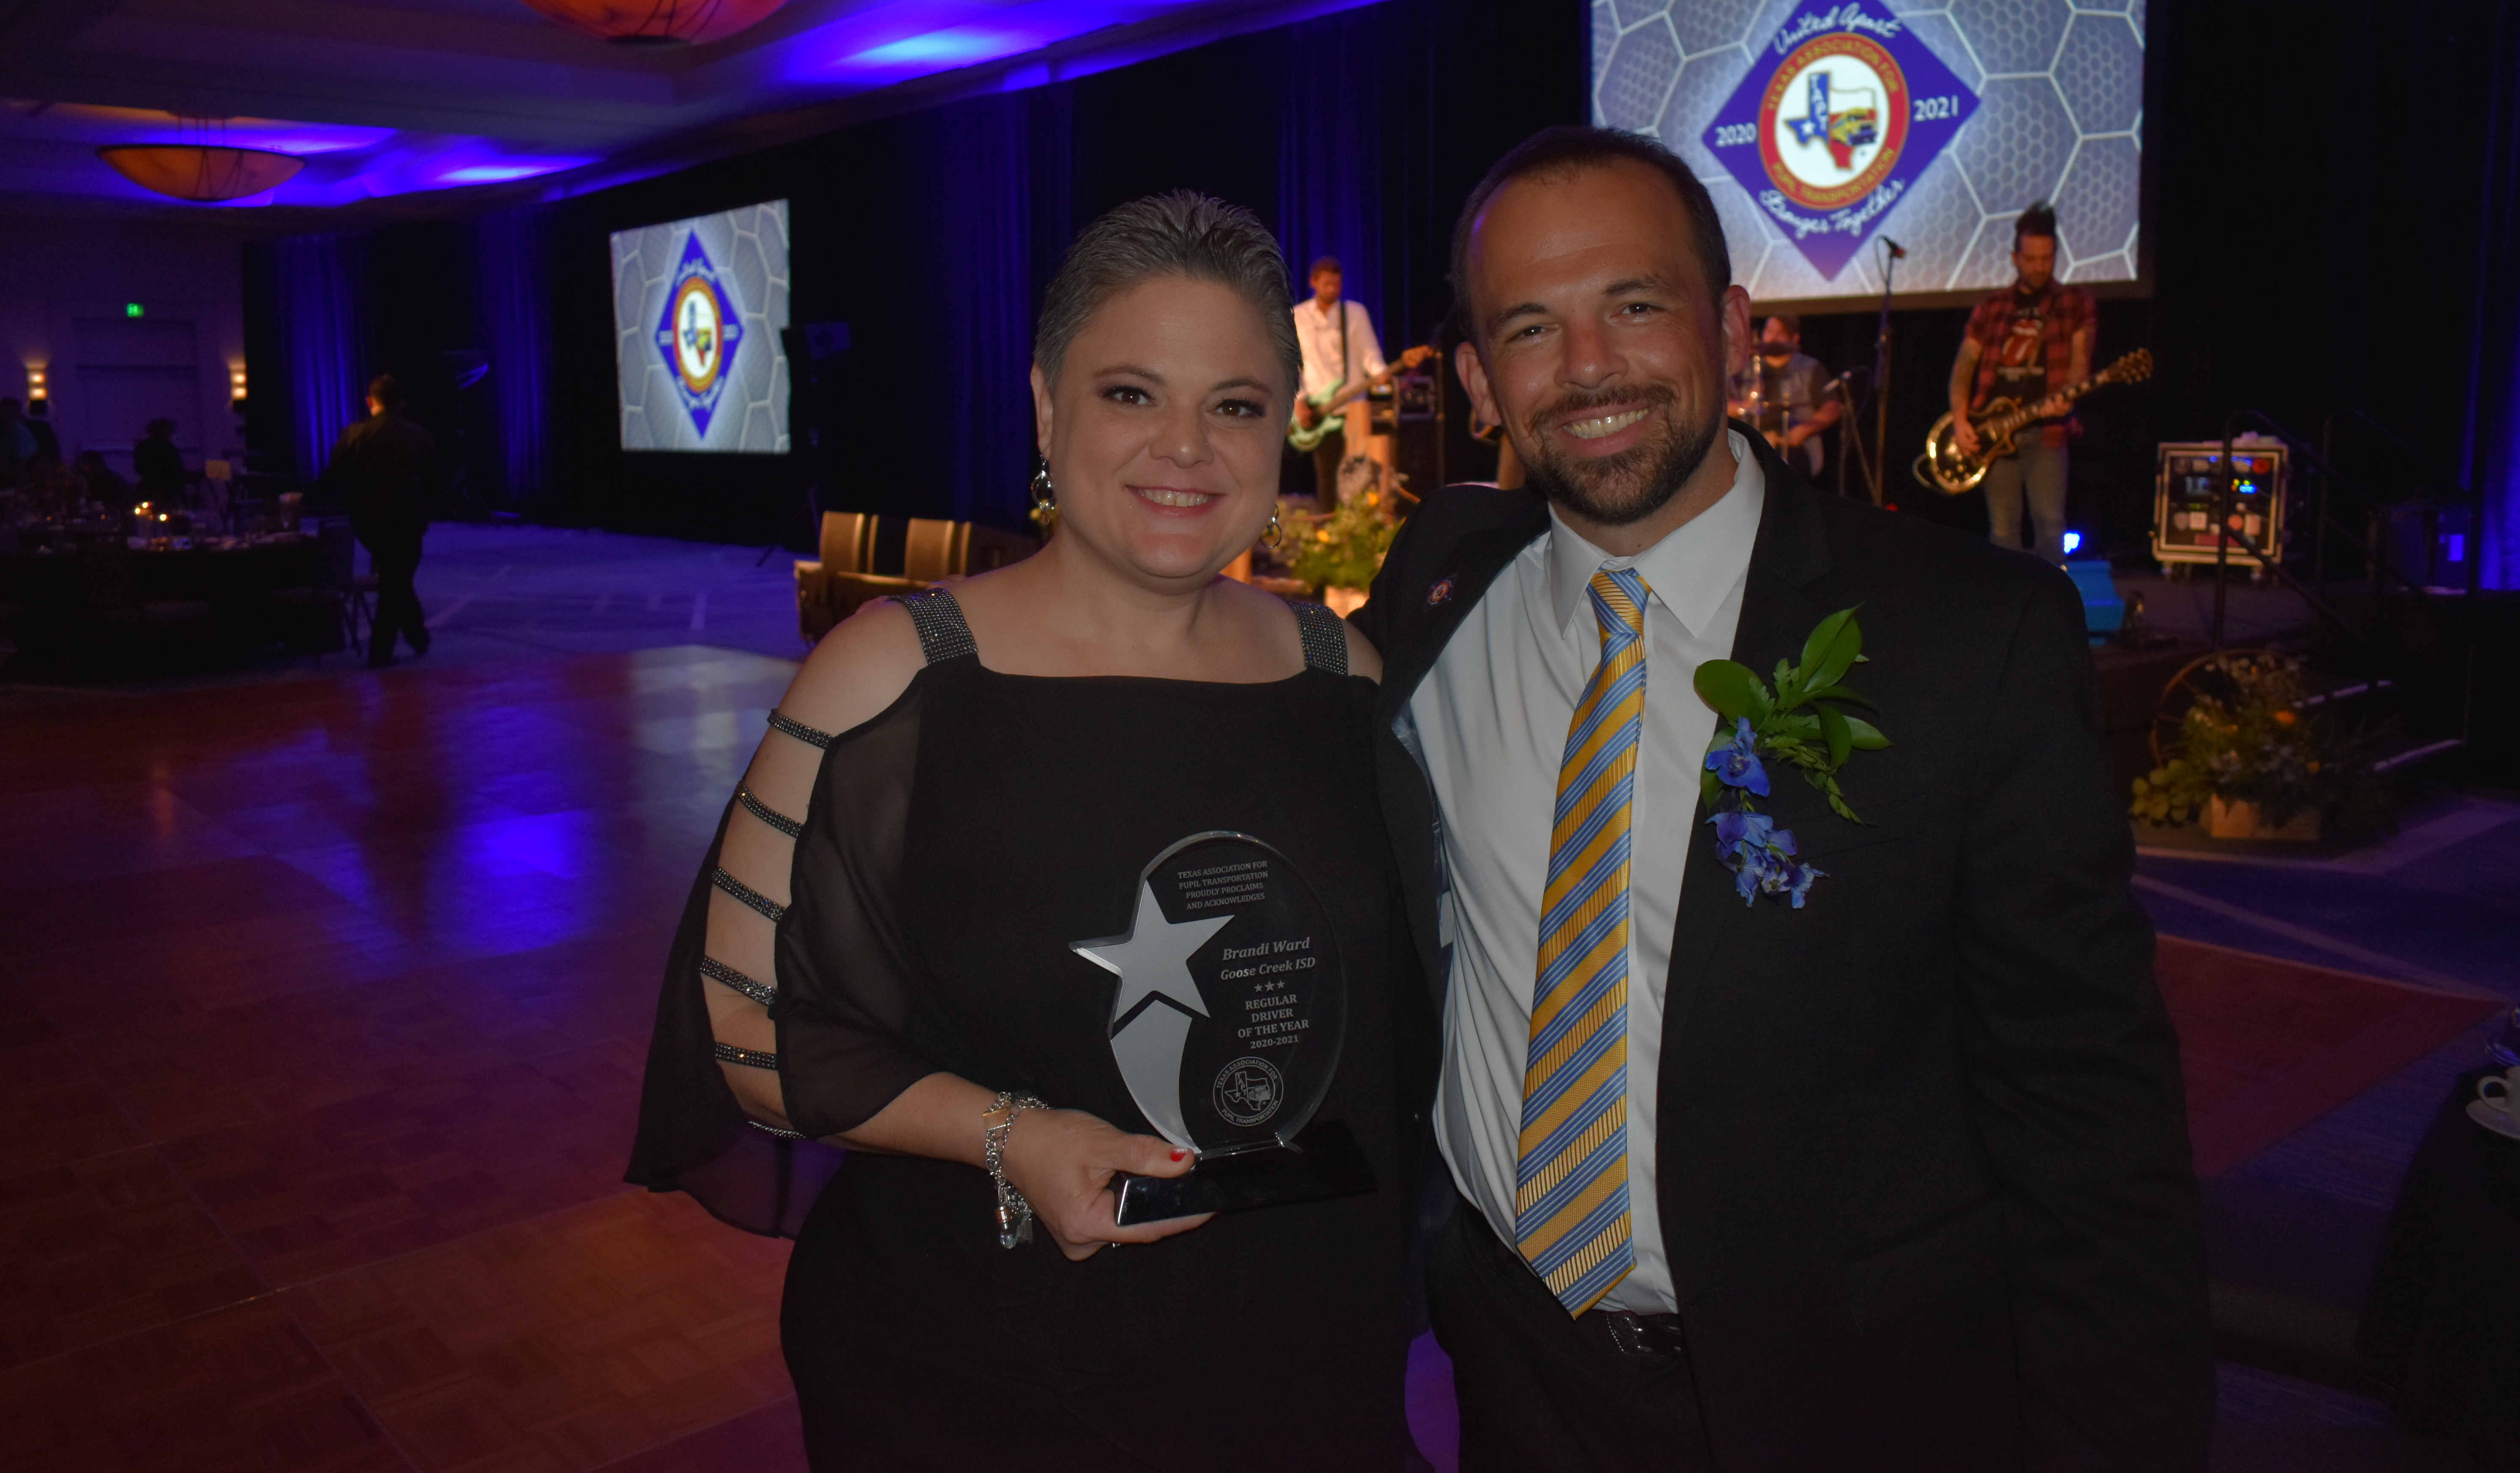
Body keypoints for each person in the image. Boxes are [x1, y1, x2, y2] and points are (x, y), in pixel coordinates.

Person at [1352, 126, 2210, 1470]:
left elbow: (2088, 1110)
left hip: (1850, 1394)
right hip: (1512, 1369)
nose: (1587, 369)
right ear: (1474, 379)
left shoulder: (1965, 638)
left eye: (1634, 305)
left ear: (1733, 327)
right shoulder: (1442, 577)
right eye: (1530, 327)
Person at [628, 193, 1418, 1470]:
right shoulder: (894, 673)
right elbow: (745, 1025)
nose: (1188, 448)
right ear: (1047, 408)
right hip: (985, 1357)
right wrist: (1014, 1135)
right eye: (1129, 394)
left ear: (1285, 427)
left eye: (1234, 404)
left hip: (1295, 1335)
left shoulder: (1341, 673)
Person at [1948, 203, 2096, 561]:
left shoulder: (2075, 302)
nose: (2040, 267)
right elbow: (1963, 368)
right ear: (2015, 257)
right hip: (1995, 432)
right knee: (2002, 530)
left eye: (2047, 258)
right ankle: (2008, 613)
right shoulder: (1991, 308)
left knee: (2050, 525)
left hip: (2048, 432)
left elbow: (2080, 362)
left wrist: (2069, 397)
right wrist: (1960, 418)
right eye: (2031, 259)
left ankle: (2051, 612)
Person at [309, 376, 438, 666]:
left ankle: (415, 638)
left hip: (370, 523)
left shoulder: (355, 434)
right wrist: (425, 510)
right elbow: (436, 479)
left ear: (371, 402)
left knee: (395, 577)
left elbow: (334, 476)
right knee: (398, 578)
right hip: (409, 520)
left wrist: (304, 499)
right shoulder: (418, 435)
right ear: (402, 404)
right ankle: (384, 650)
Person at [1290, 256, 1388, 509]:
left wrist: (1381, 372)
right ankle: (1330, 535)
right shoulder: (1298, 316)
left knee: (1357, 478)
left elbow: (1370, 354)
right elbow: (1293, 364)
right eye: (1327, 285)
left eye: (1337, 285)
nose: (1333, 290)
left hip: (1353, 409)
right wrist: (1299, 400)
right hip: (1320, 410)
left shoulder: (1355, 313)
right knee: (1327, 480)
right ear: (1314, 283)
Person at [1724, 314, 1839, 480]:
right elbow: (1723, 405)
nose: (1773, 337)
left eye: (1781, 333)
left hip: (1794, 446)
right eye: (1769, 331)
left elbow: (1832, 408)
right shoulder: (1746, 368)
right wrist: (1746, 405)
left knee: (1782, 473)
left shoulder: (1809, 368)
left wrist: (1804, 430)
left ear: (1795, 338)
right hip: (1751, 442)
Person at [132, 416, 188, 507]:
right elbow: (176, 470)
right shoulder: (168, 448)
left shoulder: (143, 446)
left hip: (146, 488)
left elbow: (139, 468)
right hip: (167, 491)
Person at [0, 398, 38, 488]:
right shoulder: (5, 433)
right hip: (6, 482)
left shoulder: (19, 433)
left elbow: (22, 462)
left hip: (17, 484)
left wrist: (16, 486)